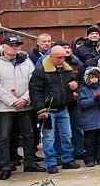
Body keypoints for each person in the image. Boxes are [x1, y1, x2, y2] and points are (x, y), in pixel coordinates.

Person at [0, 36, 35, 179]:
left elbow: (33, 81)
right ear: (3, 46)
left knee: (28, 134)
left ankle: (30, 162)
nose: (14, 47)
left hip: (24, 105)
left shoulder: (26, 61)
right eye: (11, 45)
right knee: (4, 136)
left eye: (16, 45)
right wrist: (11, 101)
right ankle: (5, 166)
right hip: (4, 106)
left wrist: (25, 98)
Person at [29, 41, 81, 173]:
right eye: (59, 57)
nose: (62, 60)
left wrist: (75, 87)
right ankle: (51, 162)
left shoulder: (66, 69)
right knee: (49, 138)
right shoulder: (40, 71)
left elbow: (72, 82)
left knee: (66, 135)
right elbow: (35, 91)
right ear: (51, 56)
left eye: (64, 57)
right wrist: (40, 109)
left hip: (63, 108)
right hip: (48, 110)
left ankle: (67, 160)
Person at [75, 66, 100, 166]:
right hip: (89, 121)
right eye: (91, 77)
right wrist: (93, 100)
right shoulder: (83, 90)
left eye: (96, 77)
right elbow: (82, 103)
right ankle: (89, 159)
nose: (94, 79)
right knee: (89, 142)